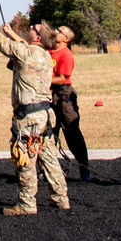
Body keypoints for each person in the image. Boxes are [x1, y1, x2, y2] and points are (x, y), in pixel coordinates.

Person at [0, 15, 70, 216]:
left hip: (28, 118)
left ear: (37, 37)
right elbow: (21, 45)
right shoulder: (46, 55)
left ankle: (27, 204)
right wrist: (11, 33)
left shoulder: (25, 53)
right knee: (49, 158)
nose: (29, 28)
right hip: (46, 115)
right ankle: (60, 199)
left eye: (33, 28)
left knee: (25, 159)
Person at [49, 25, 95, 182]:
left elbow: (62, 78)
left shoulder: (66, 55)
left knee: (72, 133)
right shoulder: (49, 51)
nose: (56, 32)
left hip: (63, 96)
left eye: (60, 31)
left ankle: (84, 168)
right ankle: (48, 169)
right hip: (48, 96)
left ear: (66, 39)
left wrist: (41, 80)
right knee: (49, 134)